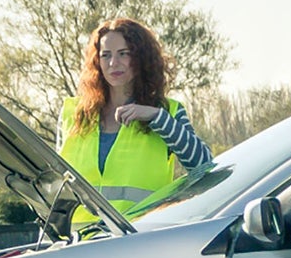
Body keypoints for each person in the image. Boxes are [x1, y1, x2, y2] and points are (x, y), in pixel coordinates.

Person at [57, 17, 214, 225]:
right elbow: (52, 184)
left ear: (141, 58)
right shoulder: (72, 113)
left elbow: (204, 167)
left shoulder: (169, 112)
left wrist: (157, 118)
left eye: (124, 54)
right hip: (78, 246)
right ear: (97, 62)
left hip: (138, 242)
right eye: (106, 55)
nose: (114, 63)